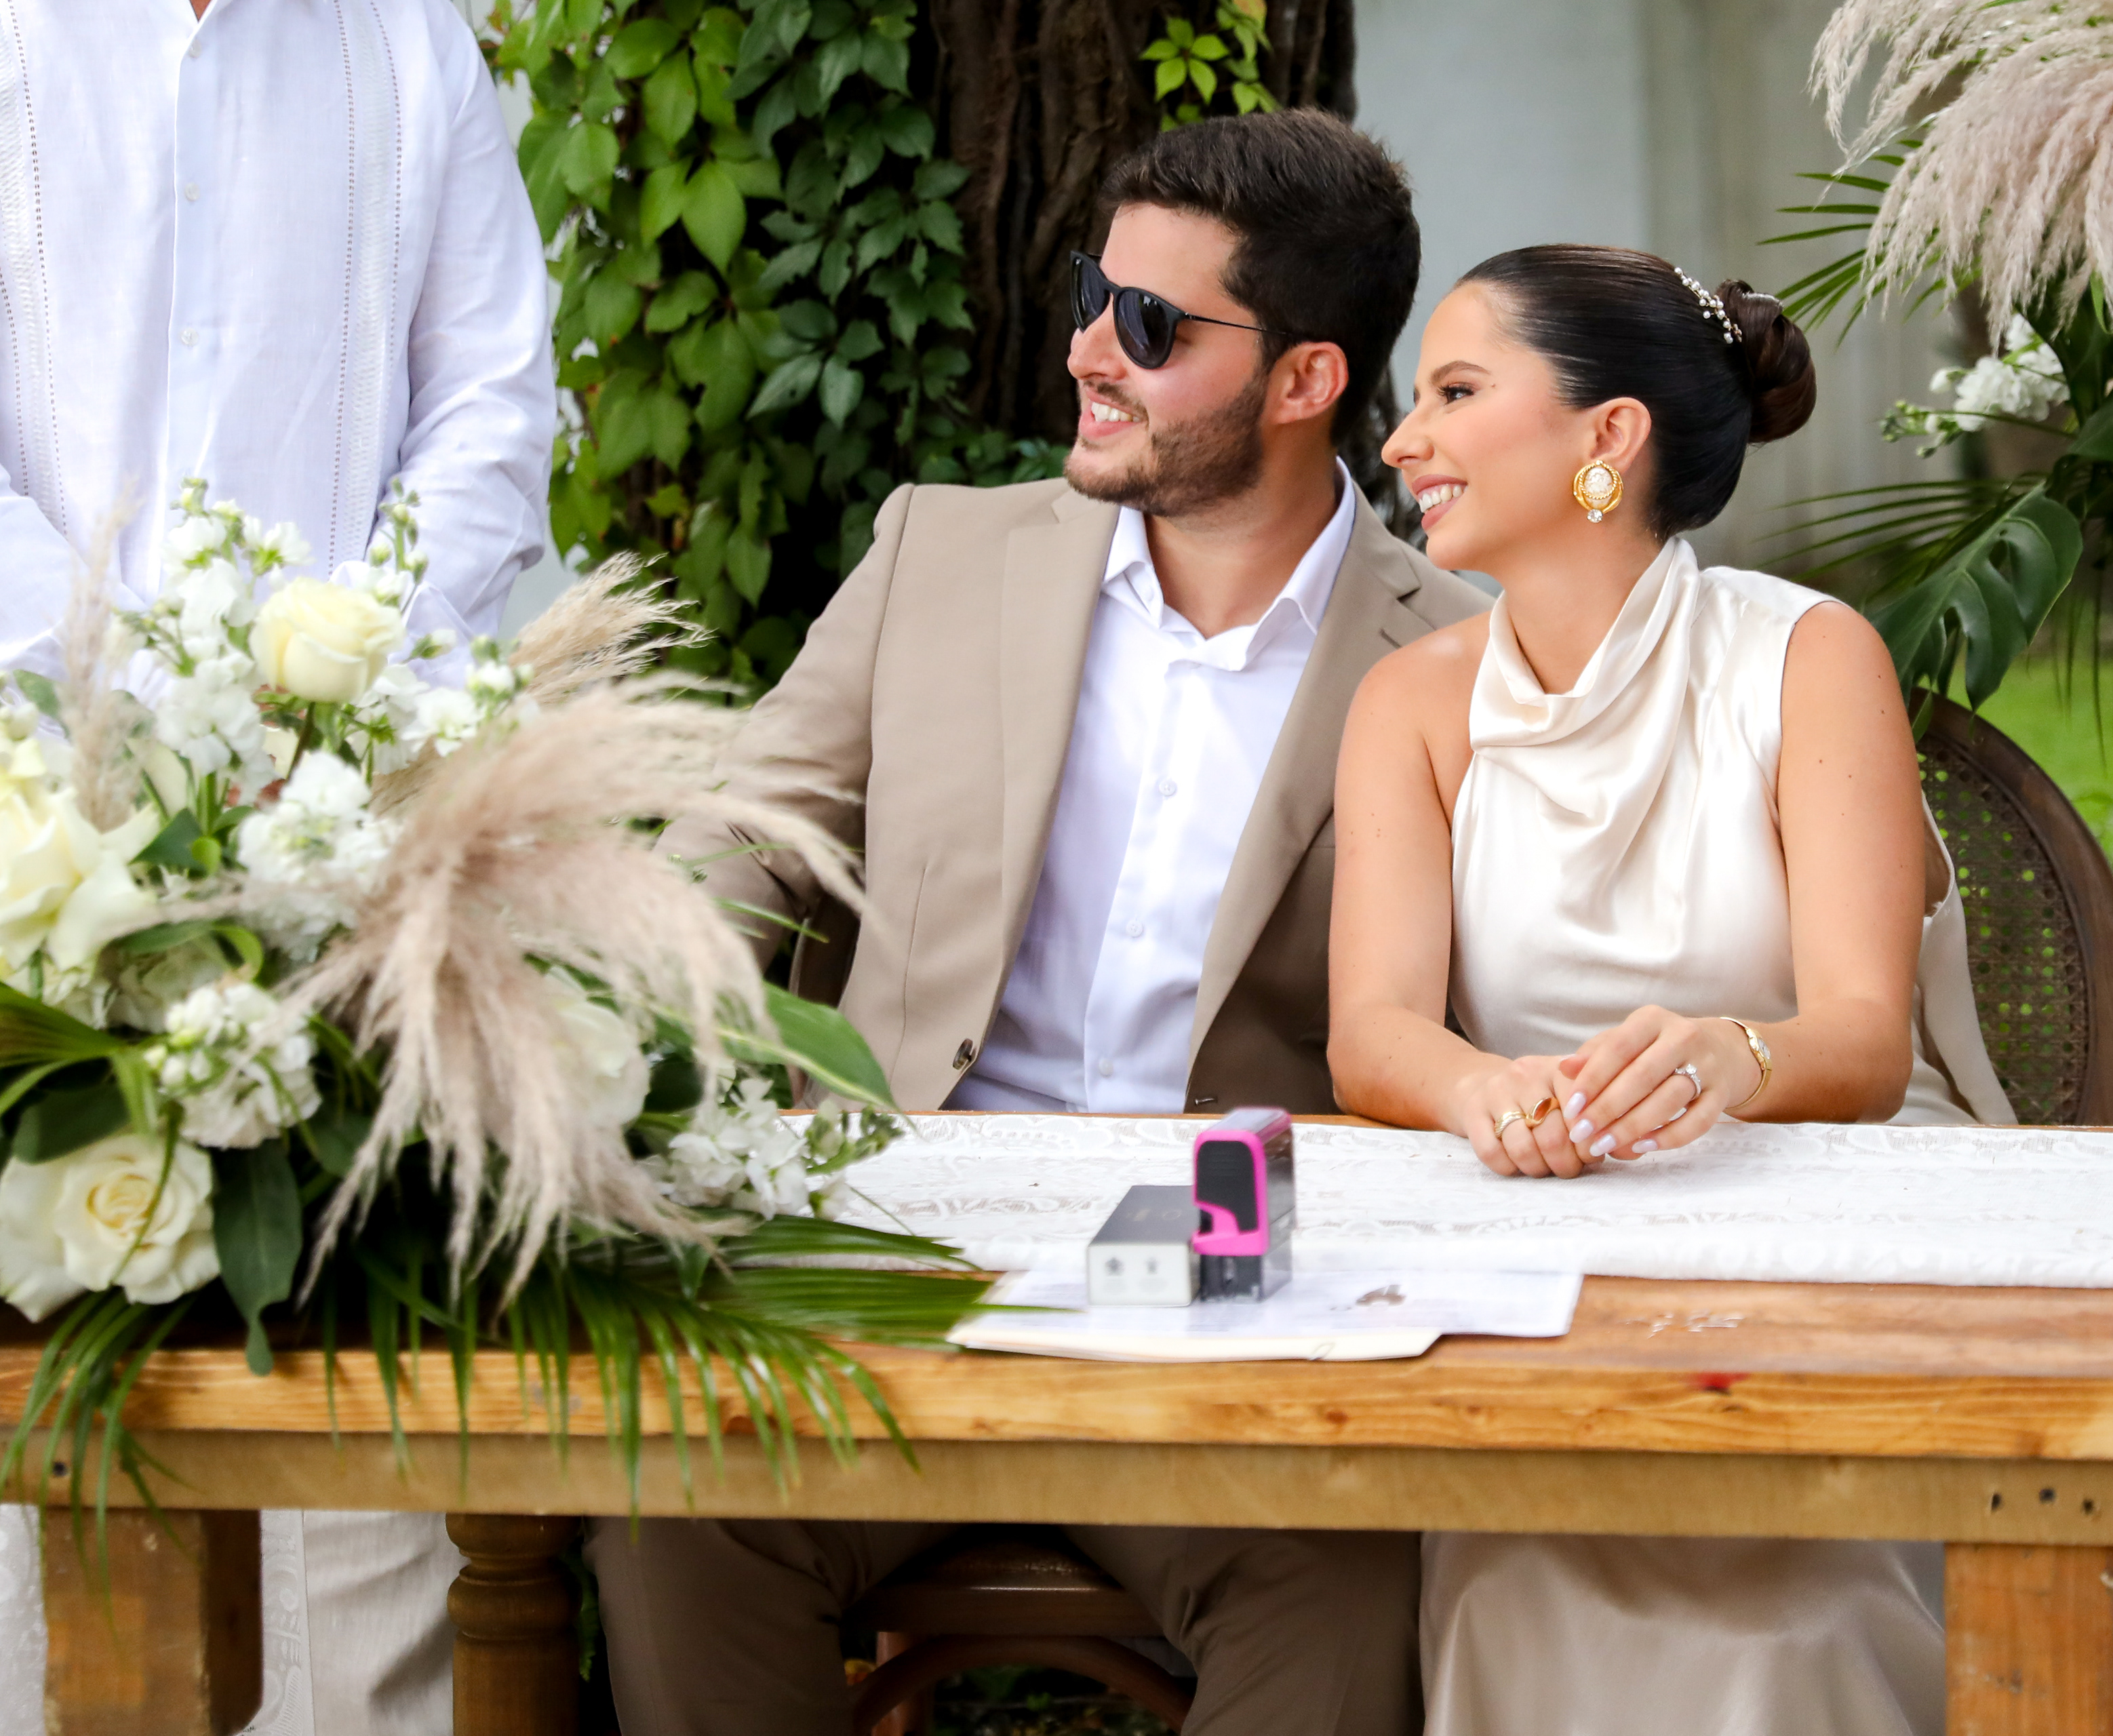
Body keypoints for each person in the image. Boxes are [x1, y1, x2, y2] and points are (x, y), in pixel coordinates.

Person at [590, 110, 1488, 1736]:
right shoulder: (939, 549)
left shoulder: (1458, 654)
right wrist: (617, 1035)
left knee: (1348, 1591)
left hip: (1232, 1284)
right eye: (1093, 295)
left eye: (1150, 324)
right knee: (677, 1511)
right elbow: (745, 834)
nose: (1087, 350)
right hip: (898, 1239)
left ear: (1307, 379)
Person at [1328, 245, 2016, 1735]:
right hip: (1543, 1246)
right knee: (1517, 1591)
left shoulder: (1807, 657)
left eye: (1456, 391)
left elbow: (1864, 1038)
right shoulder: (1411, 703)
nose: (1403, 439)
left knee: (1795, 1623)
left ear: (1609, 434)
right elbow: (1374, 1031)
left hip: (1823, 1236)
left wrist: (1729, 1057)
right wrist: (1487, 1091)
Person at [0, 5, 555, 1735]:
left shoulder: (412, 45)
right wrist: (136, 708)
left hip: (353, 836)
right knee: (38, 1368)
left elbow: (491, 411)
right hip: (20, 817)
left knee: (352, 1376)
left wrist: (328, 699)